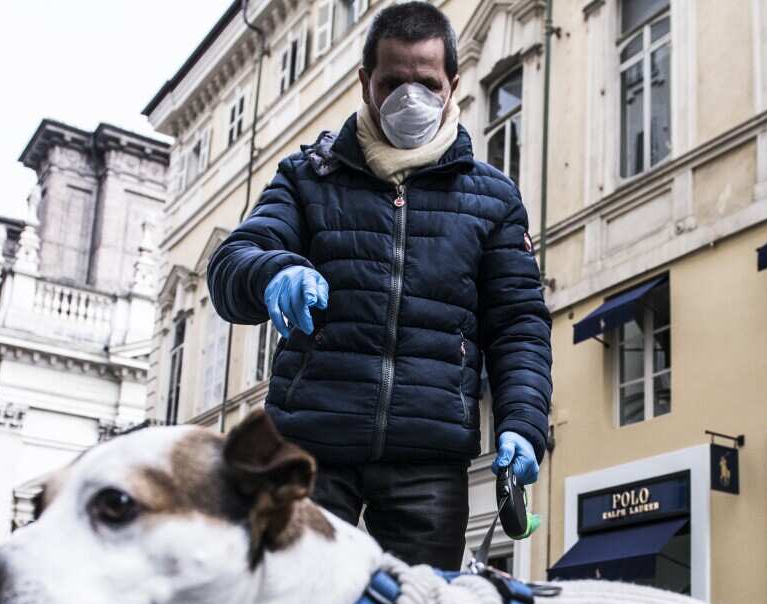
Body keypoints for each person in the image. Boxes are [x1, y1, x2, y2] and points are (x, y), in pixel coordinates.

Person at [208, 1, 552, 570]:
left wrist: (523, 420)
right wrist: (274, 272)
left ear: (453, 85)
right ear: (365, 81)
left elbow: (518, 323)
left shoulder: (493, 198)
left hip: (429, 456)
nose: (410, 98)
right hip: (311, 448)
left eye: (427, 84)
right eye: (393, 82)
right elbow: (232, 263)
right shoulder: (308, 176)